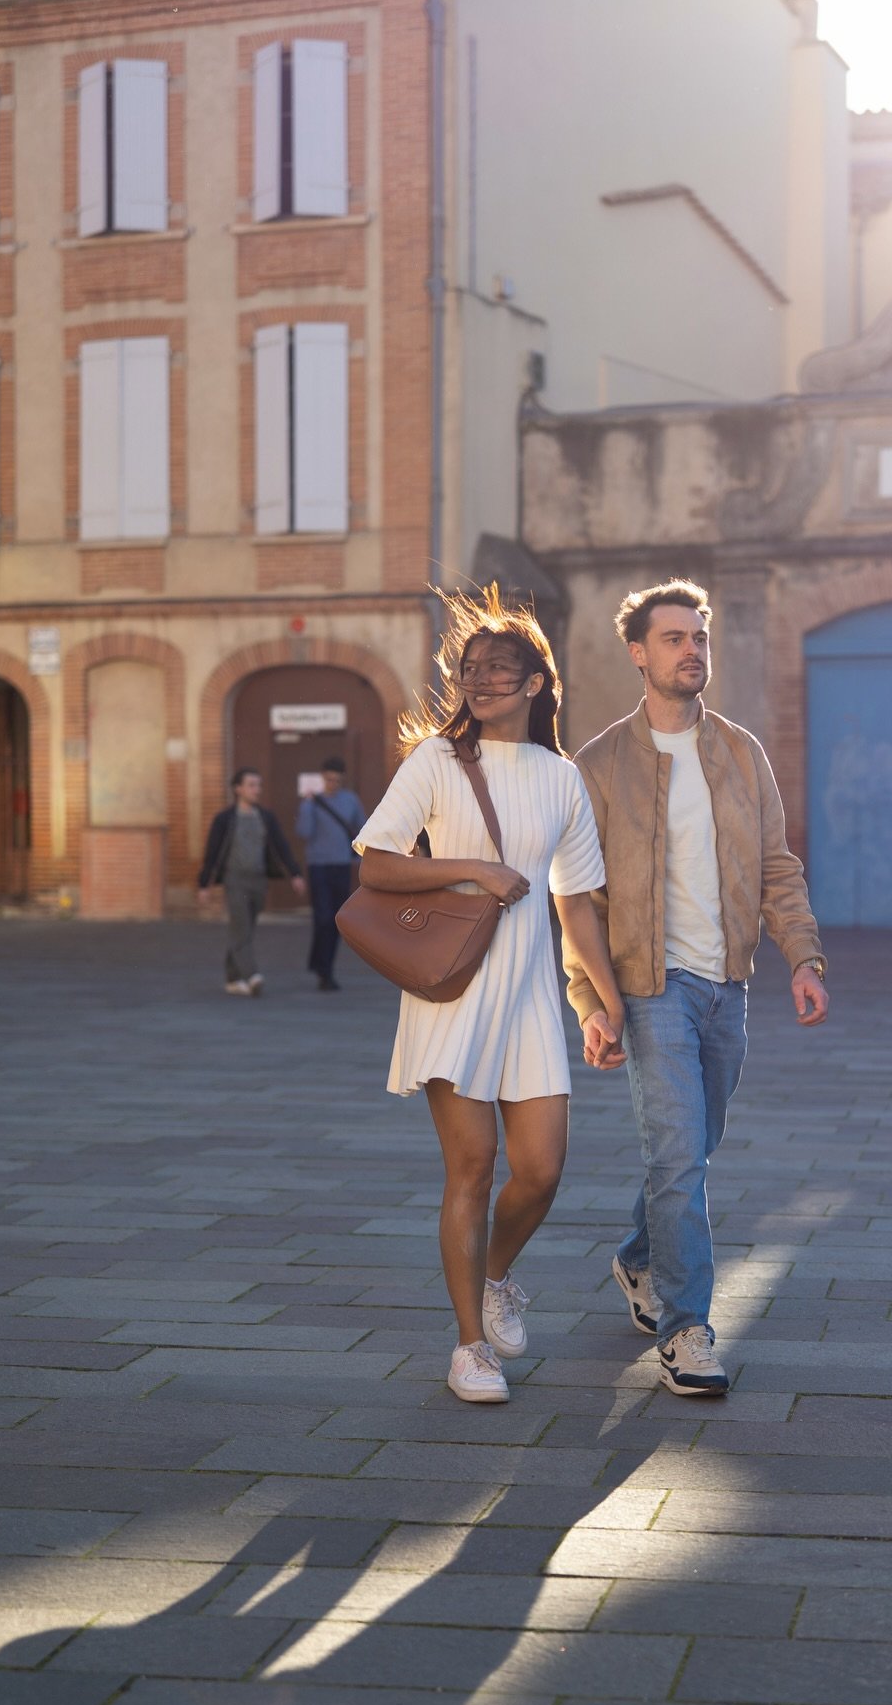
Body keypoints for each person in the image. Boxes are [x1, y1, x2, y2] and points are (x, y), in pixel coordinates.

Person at [354, 587, 627, 1407]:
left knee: (541, 1171)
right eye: (469, 670)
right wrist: (473, 870)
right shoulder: (437, 762)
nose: (480, 682)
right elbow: (376, 863)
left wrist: (602, 1004)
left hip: (534, 1000)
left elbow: (575, 901)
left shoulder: (561, 777)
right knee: (471, 1169)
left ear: (537, 683)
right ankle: (470, 1345)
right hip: (453, 992)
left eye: (498, 670)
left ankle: (497, 1274)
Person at [562, 579, 829, 1396]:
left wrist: (805, 957)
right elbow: (579, 899)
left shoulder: (741, 753)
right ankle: (687, 1331)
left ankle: (640, 1257)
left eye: (699, 638)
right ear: (638, 653)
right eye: (674, 638)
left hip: (728, 984)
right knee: (678, 1157)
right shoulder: (600, 764)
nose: (692, 651)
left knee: (692, 1150)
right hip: (650, 988)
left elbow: (777, 867)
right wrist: (594, 1003)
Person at [197, 768, 305, 996]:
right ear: (238, 789)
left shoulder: (266, 817)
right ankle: (252, 975)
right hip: (234, 879)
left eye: (258, 785)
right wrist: (204, 884)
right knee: (241, 927)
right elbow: (212, 852)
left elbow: (281, 846)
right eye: (251, 785)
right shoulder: (225, 819)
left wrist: (294, 874)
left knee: (244, 930)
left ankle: (232, 979)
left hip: (258, 880)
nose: (257, 790)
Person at [297, 756, 365, 992]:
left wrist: (358, 858)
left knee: (335, 919)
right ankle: (323, 970)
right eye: (328, 779)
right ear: (322, 777)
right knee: (322, 917)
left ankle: (323, 966)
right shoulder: (312, 803)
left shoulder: (350, 800)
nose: (332, 784)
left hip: (341, 866)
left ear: (342, 779)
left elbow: (361, 829)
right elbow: (304, 832)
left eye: (336, 780)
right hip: (318, 866)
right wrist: (307, 806)